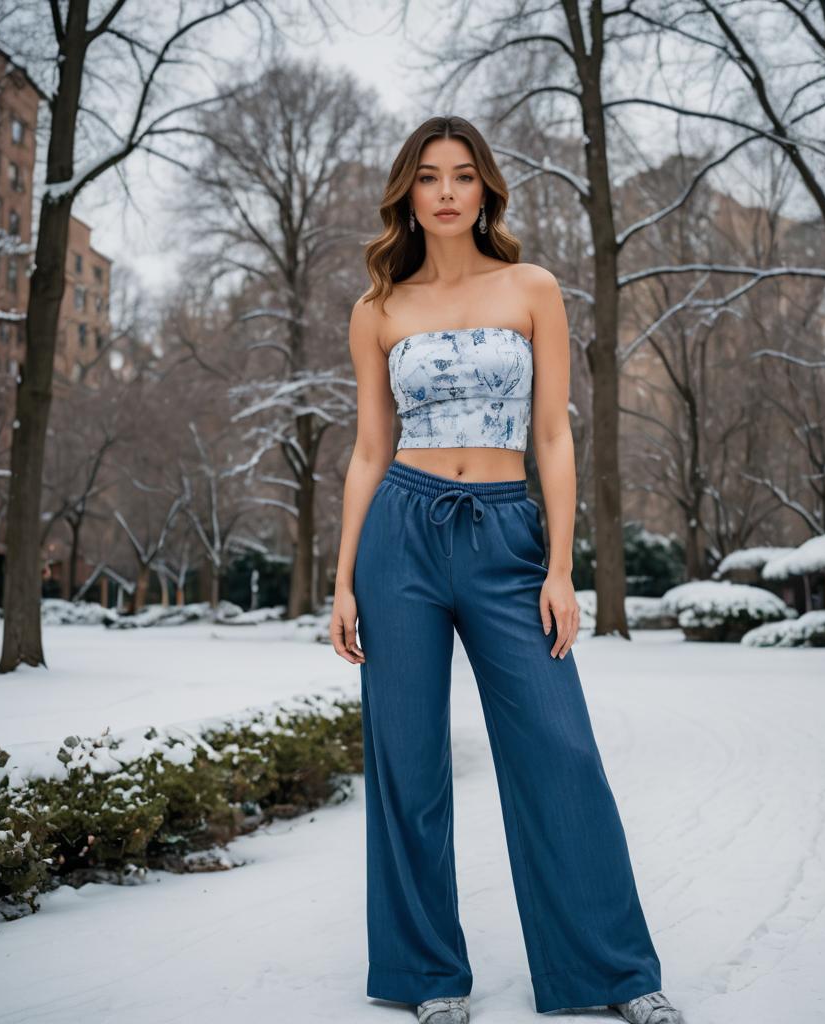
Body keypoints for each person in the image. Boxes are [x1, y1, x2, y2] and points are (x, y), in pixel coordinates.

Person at [330, 115, 686, 1024]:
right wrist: (342, 580)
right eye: (428, 176)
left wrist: (560, 567)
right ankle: (426, 976)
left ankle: (612, 973)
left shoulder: (532, 288)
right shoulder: (378, 308)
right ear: (408, 194)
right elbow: (369, 450)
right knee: (407, 760)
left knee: (559, 750)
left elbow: (554, 436)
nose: (446, 191)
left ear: (486, 188)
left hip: (506, 536)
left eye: (462, 175)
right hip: (401, 535)